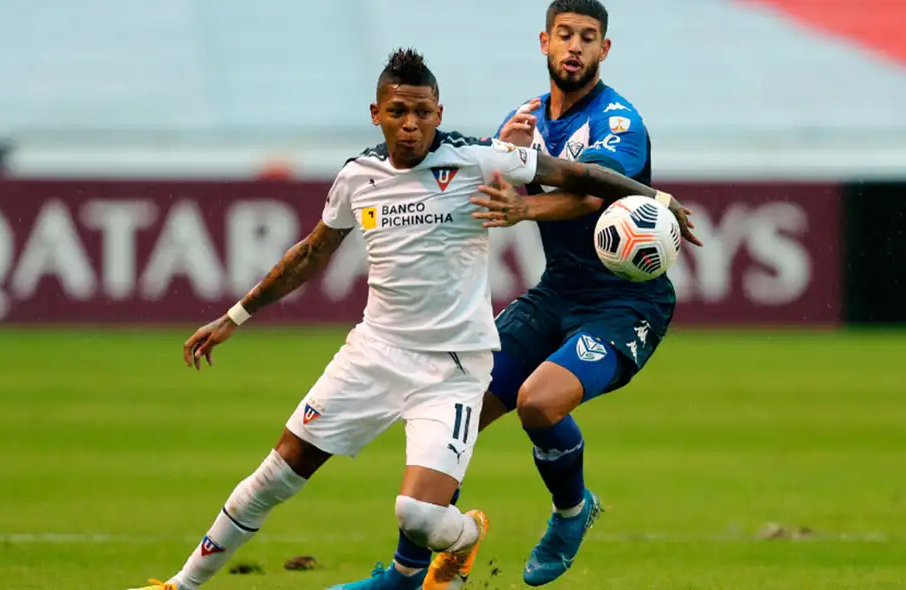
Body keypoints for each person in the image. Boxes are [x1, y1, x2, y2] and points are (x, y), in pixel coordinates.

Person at [130, 46, 687, 590]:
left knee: (417, 516)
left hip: (452, 368)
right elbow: (309, 255)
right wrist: (235, 315)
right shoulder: (357, 177)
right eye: (397, 112)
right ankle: (181, 584)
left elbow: (581, 176)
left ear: (439, 114)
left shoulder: (478, 160)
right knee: (275, 475)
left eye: (423, 112)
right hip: (372, 353)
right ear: (377, 114)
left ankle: (463, 539)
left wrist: (655, 198)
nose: (411, 124)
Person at [329, 1, 703, 589]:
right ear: (544, 43)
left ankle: (572, 513)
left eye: (587, 37)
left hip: (625, 305)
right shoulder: (526, 117)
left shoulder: (617, 122)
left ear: (605, 50)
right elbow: (493, 174)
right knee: (456, 410)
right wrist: (503, 153)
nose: (574, 46)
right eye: (564, 35)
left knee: (538, 401)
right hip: (555, 292)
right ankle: (408, 572)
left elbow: (588, 194)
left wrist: (522, 205)